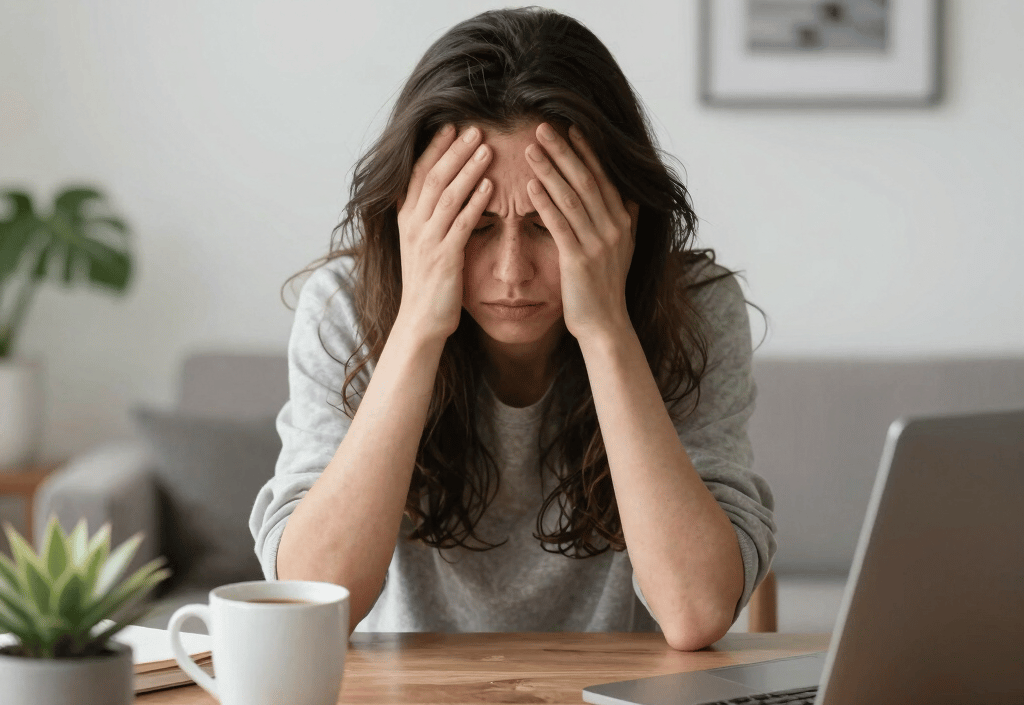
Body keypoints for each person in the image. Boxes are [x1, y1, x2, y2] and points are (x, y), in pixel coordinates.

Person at [249, 6, 776, 651]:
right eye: (474, 228)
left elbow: (696, 611)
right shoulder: (343, 306)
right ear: (412, 218)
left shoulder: (694, 308)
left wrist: (606, 328)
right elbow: (313, 599)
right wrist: (418, 324)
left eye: (548, 225)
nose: (512, 273)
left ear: (620, 217)